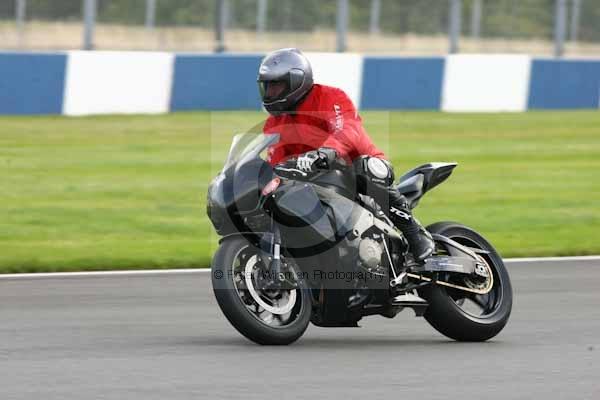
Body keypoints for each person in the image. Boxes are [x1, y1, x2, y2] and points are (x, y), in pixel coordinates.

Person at [258, 48, 434, 263]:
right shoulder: (274, 123)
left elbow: (347, 130)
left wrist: (326, 152)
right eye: (267, 86)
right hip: (316, 182)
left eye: (276, 86)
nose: (270, 92)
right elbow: (276, 160)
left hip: (353, 169)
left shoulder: (330, 98)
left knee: (367, 168)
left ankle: (415, 234)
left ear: (295, 82)